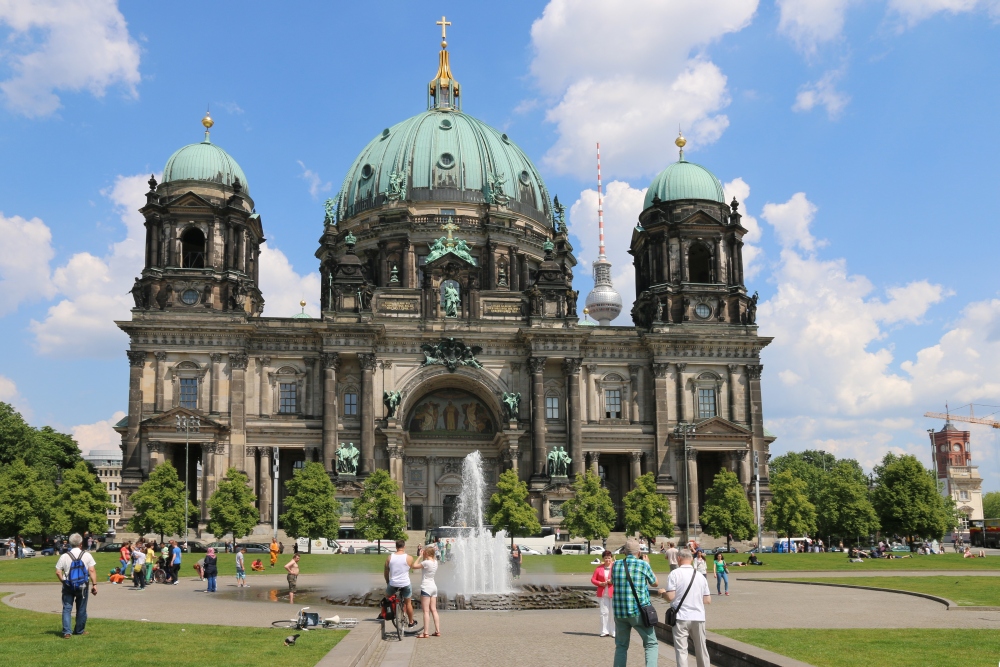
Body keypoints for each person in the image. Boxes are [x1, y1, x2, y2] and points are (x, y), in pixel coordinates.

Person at [611, 538, 662, 667]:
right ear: (639, 552)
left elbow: (613, 581)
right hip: (639, 611)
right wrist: (647, 564)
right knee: (651, 644)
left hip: (620, 611)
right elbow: (655, 583)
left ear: (624, 552)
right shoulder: (643, 565)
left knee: (621, 646)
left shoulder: (616, 565)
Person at [665, 549, 712, 667]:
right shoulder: (700, 576)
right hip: (698, 616)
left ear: (678, 558)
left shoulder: (674, 574)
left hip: (681, 616)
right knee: (701, 648)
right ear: (691, 559)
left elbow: (670, 597)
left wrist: (662, 593)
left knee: (681, 650)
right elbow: (707, 600)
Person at [55, 533, 98, 639]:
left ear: (70, 543)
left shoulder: (65, 556)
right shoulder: (87, 555)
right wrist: (94, 584)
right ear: (80, 543)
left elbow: (58, 572)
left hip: (68, 585)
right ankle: (79, 630)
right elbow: (91, 570)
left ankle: (67, 632)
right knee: (81, 608)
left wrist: (63, 582)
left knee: (67, 608)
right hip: (83, 585)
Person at [384, 539, 417, 629]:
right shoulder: (409, 558)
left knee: (386, 598)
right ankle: (411, 622)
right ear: (404, 547)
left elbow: (386, 572)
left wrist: (388, 582)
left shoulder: (389, 558)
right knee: (408, 603)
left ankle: (382, 614)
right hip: (405, 583)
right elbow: (411, 568)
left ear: (396, 547)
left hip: (393, 583)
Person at [412, 545, 441, 638]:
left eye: (424, 553)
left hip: (426, 587)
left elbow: (414, 566)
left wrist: (419, 556)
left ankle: (426, 632)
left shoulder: (426, 562)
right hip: (433, 587)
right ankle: (437, 630)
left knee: (426, 611)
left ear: (427, 553)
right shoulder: (435, 562)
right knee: (434, 610)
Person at [591, 550, 615, 638]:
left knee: (613, 612)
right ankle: (604, 630)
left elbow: (620, 578)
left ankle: (613, 631)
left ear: (611, 558)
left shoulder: (615, 567)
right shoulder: (599, 568)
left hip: (613, 592)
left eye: (609, 558)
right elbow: (593, 579)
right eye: (605, 558)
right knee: (604, 612)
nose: (607, 560)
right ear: (603, 559)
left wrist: (611, 581)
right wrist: (600, 583)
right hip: (602, 592)